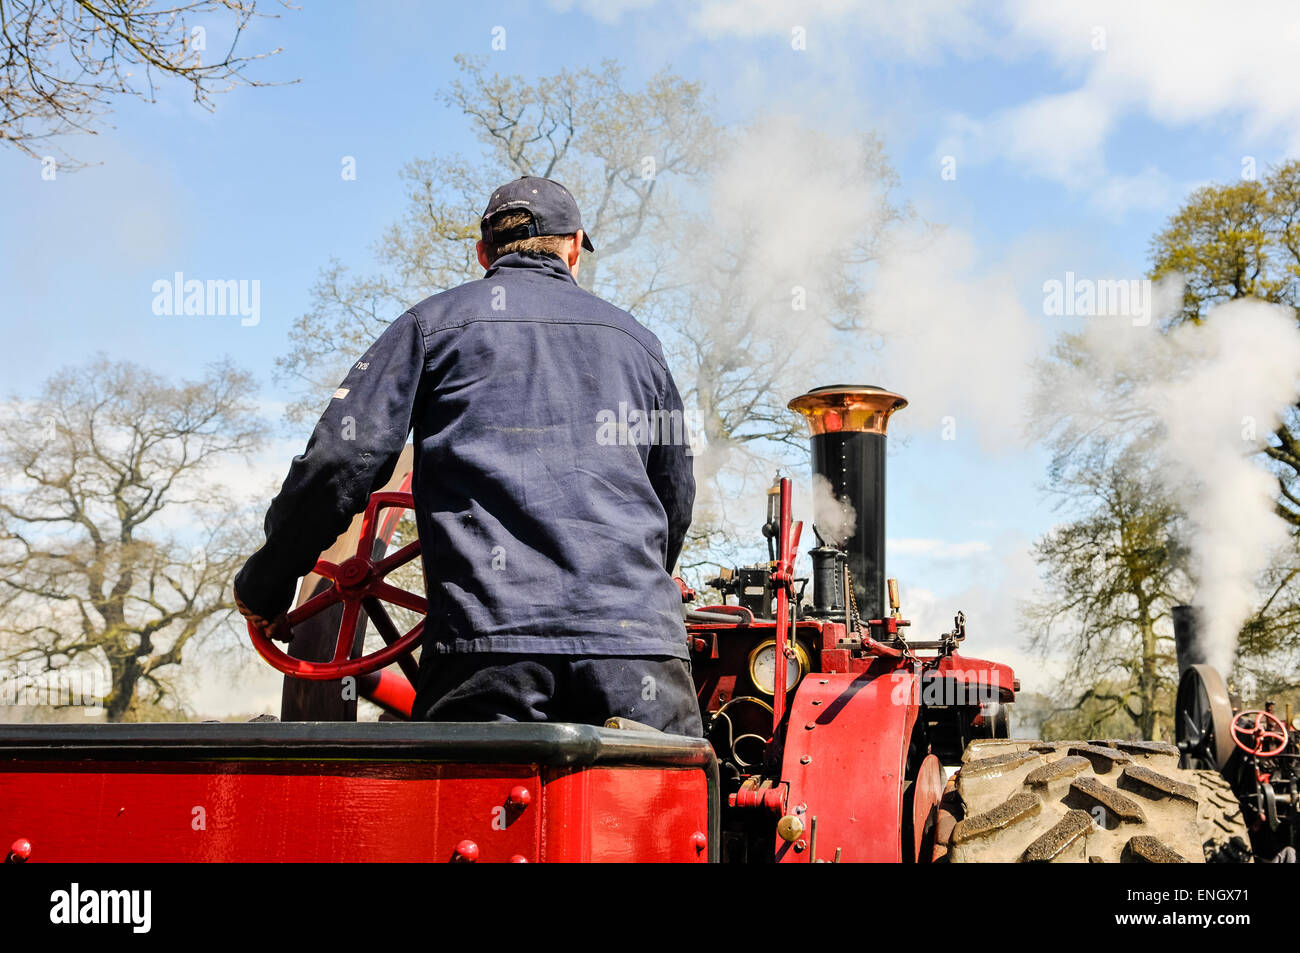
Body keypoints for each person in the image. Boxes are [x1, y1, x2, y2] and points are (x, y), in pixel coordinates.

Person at [234, 175, 701, 736]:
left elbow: (340, 460)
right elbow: (673, 498)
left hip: (485, 653)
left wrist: (268, 579)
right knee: (660, 821)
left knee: (475, 823)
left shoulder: (430, 326)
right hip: (637, 655)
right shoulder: (641, 344)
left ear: (483, 253)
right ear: (575, 247)